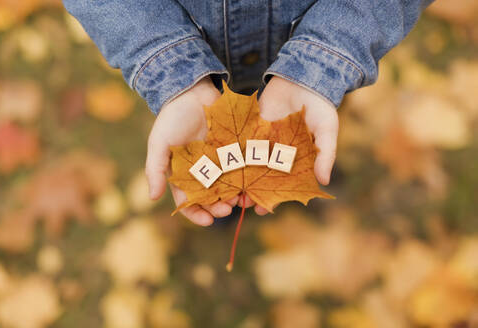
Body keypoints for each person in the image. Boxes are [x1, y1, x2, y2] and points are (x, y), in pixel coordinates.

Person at [63, 0, 433, 226]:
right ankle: (234, 211)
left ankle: (294, 182)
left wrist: (324, 62)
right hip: (198, 66)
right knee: (215, 172)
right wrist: (173, 73)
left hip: (312, 69)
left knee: (316, 134)